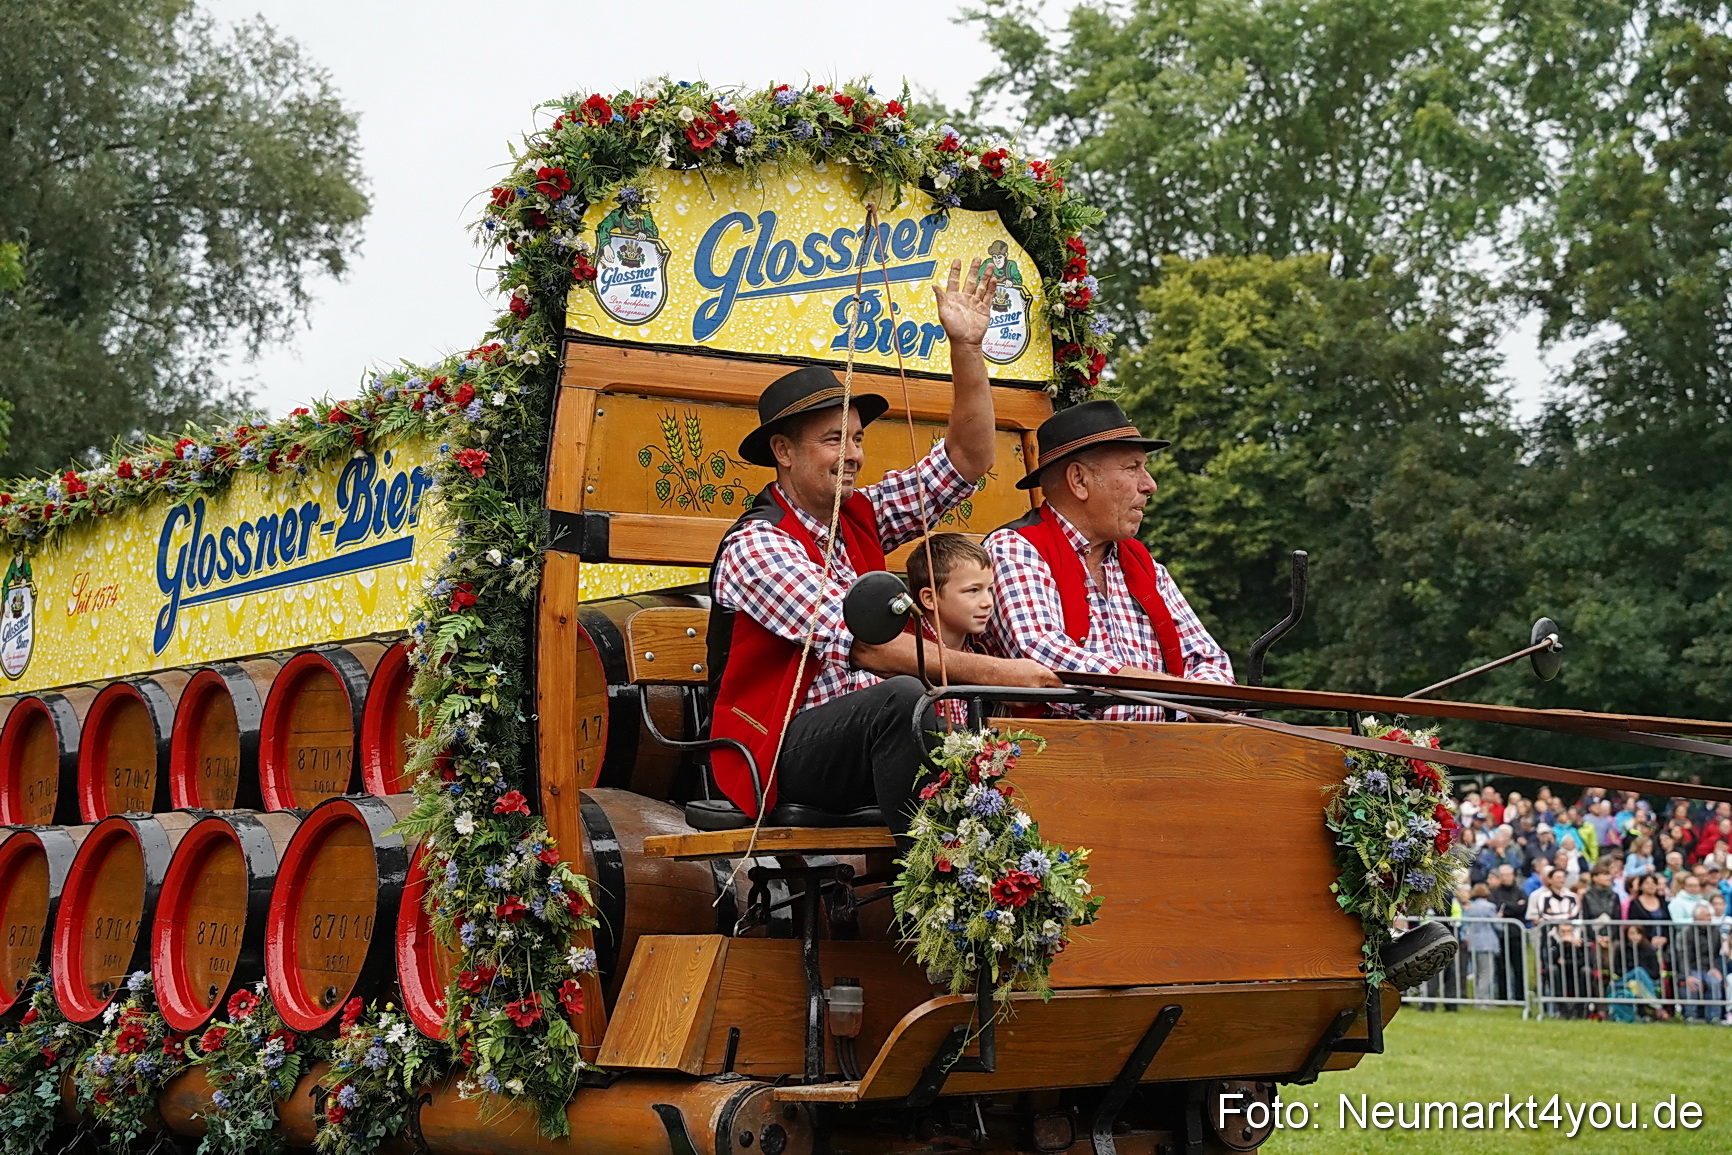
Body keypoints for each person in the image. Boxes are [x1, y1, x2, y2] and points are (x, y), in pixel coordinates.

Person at [705, 259, 1057, 830]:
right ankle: (938, 883)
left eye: (857, 438)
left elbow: (968, 461)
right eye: (831, 440)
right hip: (773, 756)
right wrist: (996, 671)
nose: (852, 455)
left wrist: (967, 349)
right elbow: (865, 648)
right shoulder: (758, 546)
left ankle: (987, 877)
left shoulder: (861, 514)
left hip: (871, 738)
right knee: (901, 698)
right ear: (784, 452)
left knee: (930, 709)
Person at [981, 398, 1234, 715]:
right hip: (1062, 759)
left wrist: (1206, 705)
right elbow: (1043, 660)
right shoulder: (1014, 548)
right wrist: (1179, 697)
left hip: (1168, 753)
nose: (1150, 485)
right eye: (1133, 468)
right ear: (1079, 480)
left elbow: (1206, 659)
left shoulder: (1143, 563)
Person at [905, 533, 997, 727]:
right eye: (972, 591)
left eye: (990, 589)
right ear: (929, 599)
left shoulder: (980, 651)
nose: (988, 602)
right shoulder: (908, 657)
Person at [1677, 906, 1725, 1023]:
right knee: (1693, 984)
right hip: (1692, 967)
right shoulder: (1687, 932)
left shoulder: (1715, 931)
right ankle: (1690, 1016)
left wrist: (1716, 968)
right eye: (1706, 916)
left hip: (1709, 967)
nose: (1709, 919)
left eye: (1710, 916)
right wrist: (1687, 975)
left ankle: (1714, 1017)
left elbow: (1717, 953)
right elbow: (1683, 956)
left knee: (1714, 982)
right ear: (1696, 918)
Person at [1464, 883, 1501, 1007]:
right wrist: (1500, 919)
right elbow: (1497, 925)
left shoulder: (1471, 907)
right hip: (1487, 942)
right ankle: (1482, 1001)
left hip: (1474, 942)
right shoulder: (1489, 907)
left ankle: (1479, 999)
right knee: (1487, 973)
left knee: (1479, 972)